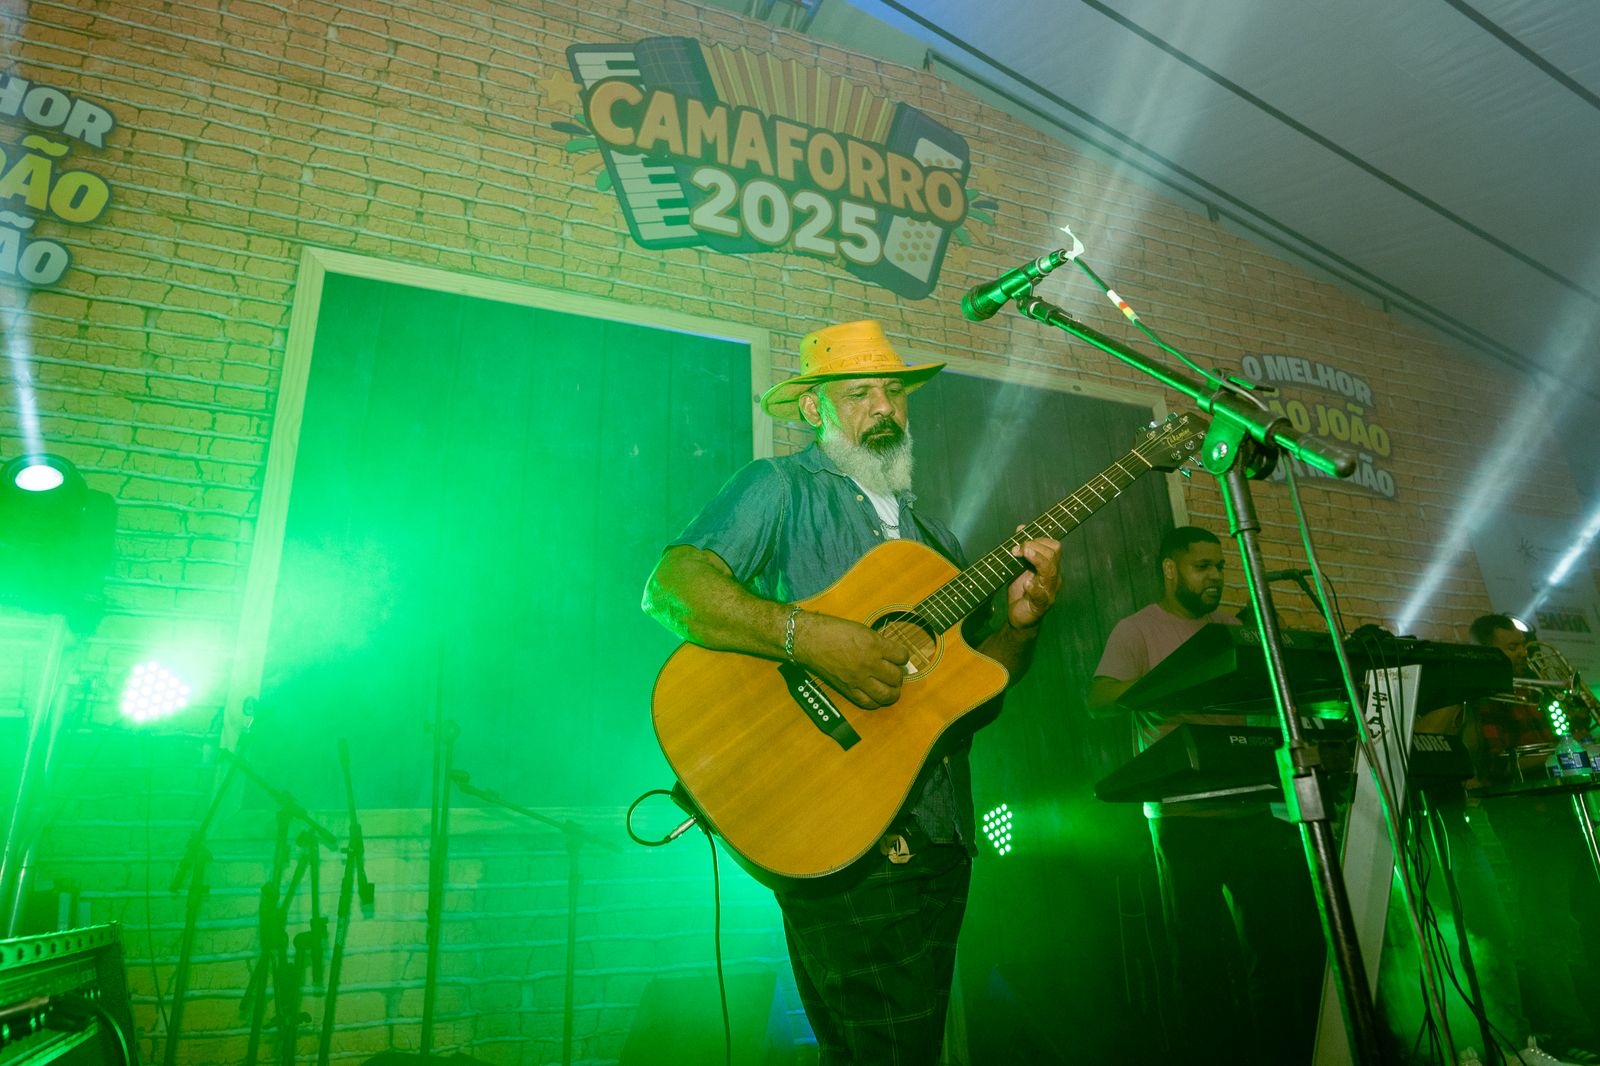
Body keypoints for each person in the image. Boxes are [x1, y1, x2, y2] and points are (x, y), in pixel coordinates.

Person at [641, 320, 1062, 1065]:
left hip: (942, 837)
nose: (883, 407)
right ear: (814, 408)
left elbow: (971, 699)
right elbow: (673, 589)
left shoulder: (938, 543)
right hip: (838, 821)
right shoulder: (778, 487)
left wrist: (1022, 628)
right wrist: (809, 636)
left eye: (893, 391)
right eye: (859, 392)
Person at [1087, 526, 1324, 1065]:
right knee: (1199, 961)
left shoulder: (1231, 629)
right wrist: (1171, 686)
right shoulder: (1137, 630)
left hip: (1250, 806)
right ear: (1170, 570)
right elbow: (1099, 700)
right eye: (1202, 567)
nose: (1215, 577)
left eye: (1220, 567)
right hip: (1184, 817)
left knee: (1276, 954)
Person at [1447, 614, 1600, 1061]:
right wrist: (1562, 755)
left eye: (1521, 646)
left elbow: (1580, 734)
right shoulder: (1483, 698)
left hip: (1568, 816)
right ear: (1485, 651)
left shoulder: (1536, 691)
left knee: (1590, 917)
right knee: (1547, 927)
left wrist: (1581, 709)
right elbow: (1495, 764)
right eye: (1511, 647)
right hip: (1529, 822)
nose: (1522, 654)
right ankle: (1569, 1031)